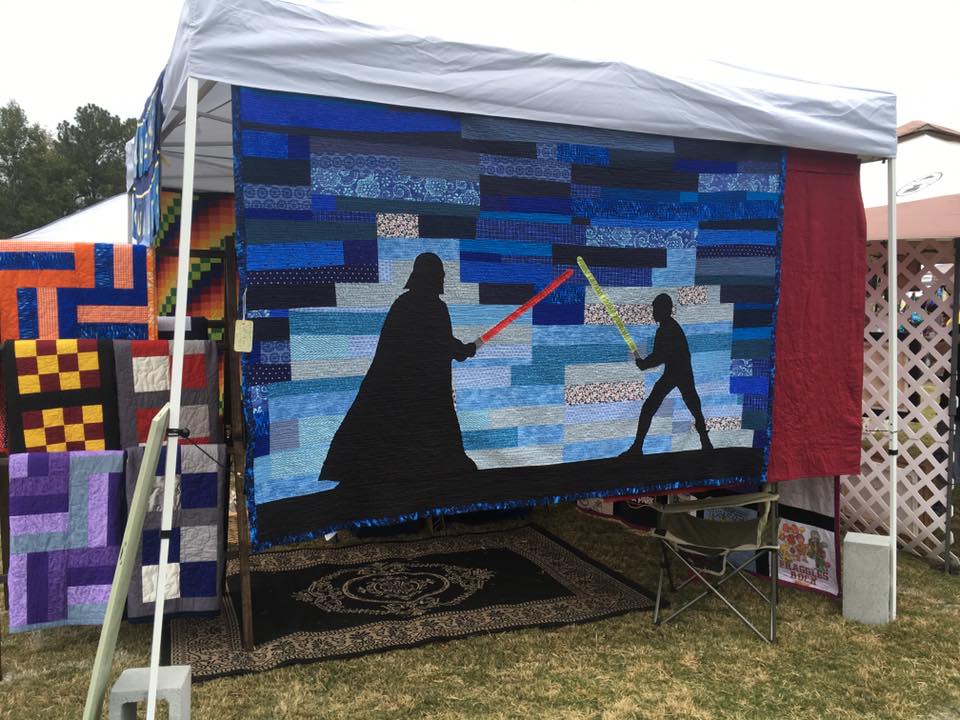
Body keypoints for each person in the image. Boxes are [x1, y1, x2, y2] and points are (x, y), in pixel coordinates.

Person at [320, 252, 478, 483]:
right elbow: (441, 343)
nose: (442, 279)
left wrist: (461, 349)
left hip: (397, 387)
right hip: (421, 390)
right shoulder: (434, 308)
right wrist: (464, 350)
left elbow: (437, 343)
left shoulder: (402, 305)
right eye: (440, 275)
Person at [622, 293, 713, 456]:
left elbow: (659, 356)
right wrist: (646, 363)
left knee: (651, 407)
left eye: (656, 309)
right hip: (680, 372)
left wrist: (644, 364)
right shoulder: (670, 327)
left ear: (665, 310)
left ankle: (637, 446)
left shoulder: (667, 329)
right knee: (693, 406)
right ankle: (706, 442)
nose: (653, 313)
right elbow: (661, 355)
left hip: (677, 372)